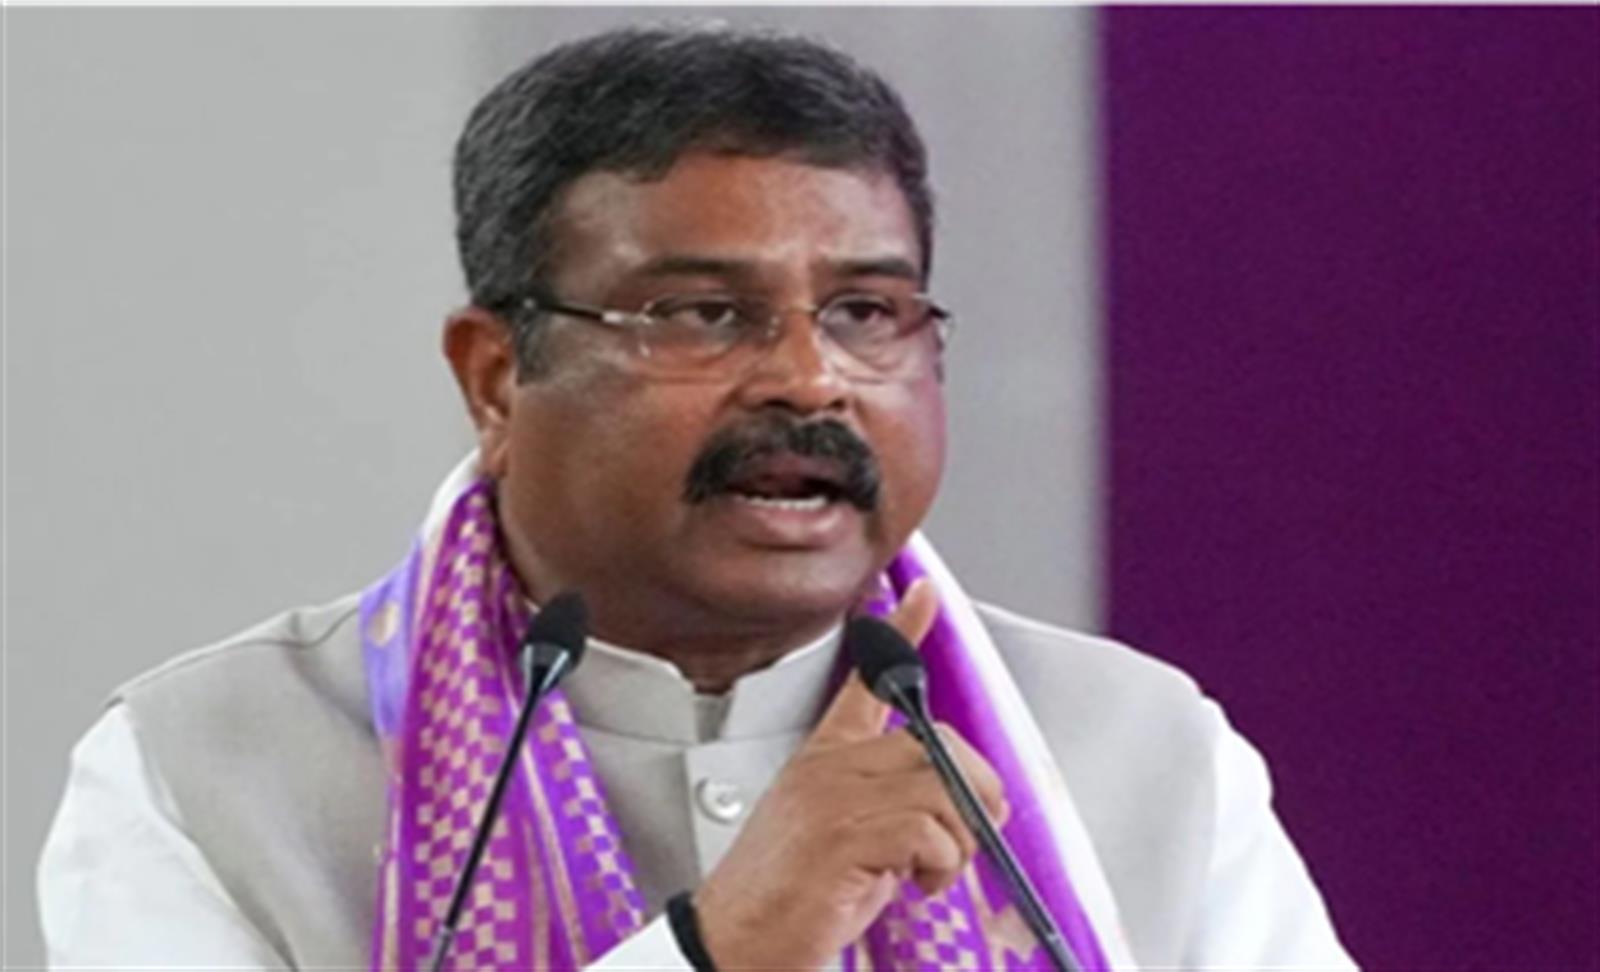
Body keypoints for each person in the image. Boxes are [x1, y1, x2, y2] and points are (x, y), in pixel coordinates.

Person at [38, 25, 1355, 971]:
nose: (810, 379)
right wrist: (722, 949)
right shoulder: (214, 766)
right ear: (495, 377)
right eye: (701, 313)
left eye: (867, 311)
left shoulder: (1136, 752)